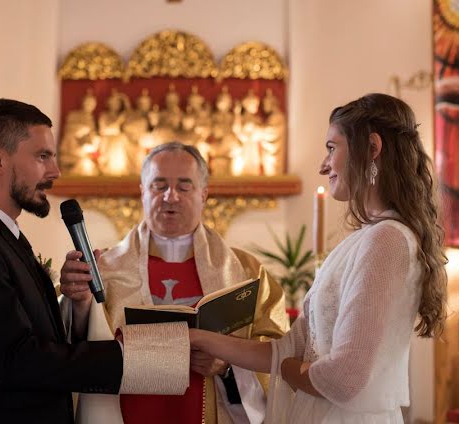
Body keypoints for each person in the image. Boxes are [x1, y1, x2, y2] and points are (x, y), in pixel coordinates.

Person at [188, 93, 448, 423]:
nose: (323, 165)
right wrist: (199, 338)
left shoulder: (386, 240)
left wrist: (286, 369)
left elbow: (344, 378)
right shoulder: (368, 238)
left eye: (331, 147)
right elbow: (289, 349)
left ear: (371, 148)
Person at [0, 99, 190, 424]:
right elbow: (17, 361)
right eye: (42, 157)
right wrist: (142, 357)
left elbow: (39, 342)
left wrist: (77, 302)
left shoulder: (6, 240)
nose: (55, 171)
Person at [62, 141, 289, 423]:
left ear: (203, 194)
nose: (171, 197)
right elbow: (76, 344)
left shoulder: (247, 272)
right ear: (142, 192)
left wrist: (227, 367)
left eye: (184, 187)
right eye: (159, 186)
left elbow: (278, 355)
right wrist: (79, 302)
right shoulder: (103, 269)